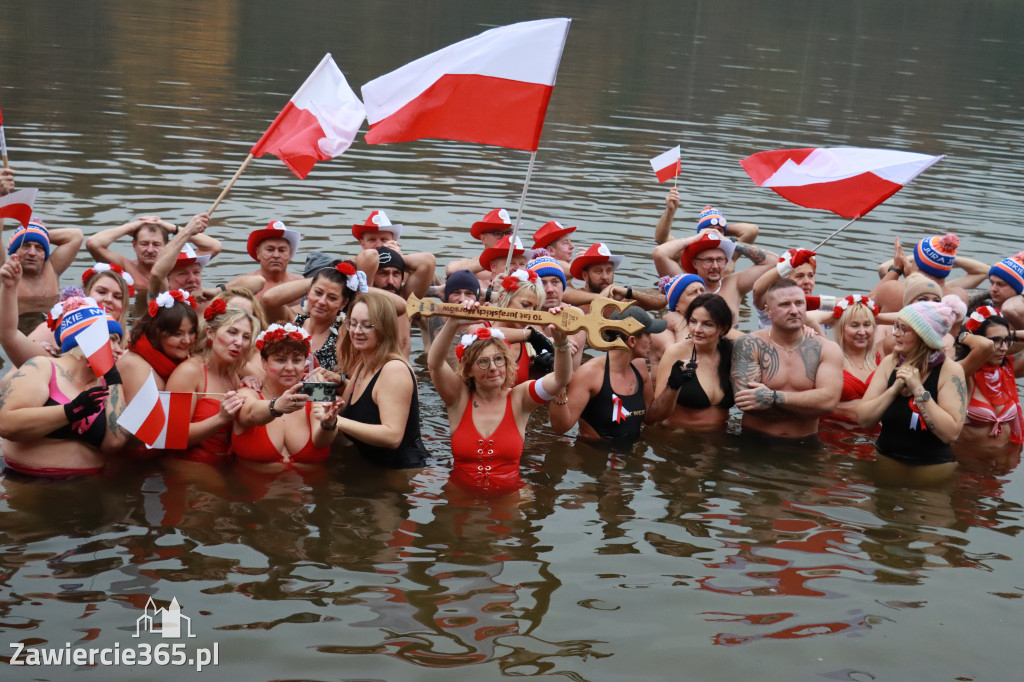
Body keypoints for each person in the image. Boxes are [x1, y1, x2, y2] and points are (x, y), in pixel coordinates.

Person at [427, 301, 572, 497]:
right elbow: (434, 364)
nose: (493, 368)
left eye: (498, 359)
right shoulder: (458, 398)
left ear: (507, 363)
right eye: (483, 362)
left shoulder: (520, 398)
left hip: (508, 499)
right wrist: (453, 323)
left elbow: (561, 379)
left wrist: (561, 343)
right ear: (468, 370)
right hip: (460, 497)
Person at [0, 297, 128, 477]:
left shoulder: (109, 383)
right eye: (112, 340)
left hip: (85, 485)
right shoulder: (42, 367)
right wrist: (72, 410)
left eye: (119, 342)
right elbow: (6, 425)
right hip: (25, 481)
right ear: (87, 340)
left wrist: (113, 377)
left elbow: (114, 443)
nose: (119, 349)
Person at [857, 300, 968, 484]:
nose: (895, 334)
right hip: (887, 461)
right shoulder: (890, 363)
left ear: (923, 335)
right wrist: (894, 390)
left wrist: (918, 389)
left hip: (932, 469)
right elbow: (863, 419)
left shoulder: (950, 371)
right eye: (896, 327)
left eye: (903, 329)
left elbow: (950, 434)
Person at [731, 278, 843, 439]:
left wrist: (773, 397)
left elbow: (829, 403)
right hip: (755, 440)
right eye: (785, 304)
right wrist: (810, 406)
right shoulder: (750, 344)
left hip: (806, 442)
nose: (794, 310)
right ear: (768, 311)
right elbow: (747, 404)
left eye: (799, 303)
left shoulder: (827, 349)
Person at [335, 292, 429, 471]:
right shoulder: (364, 363)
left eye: (367, 325)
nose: (357, 331)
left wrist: (336, 421)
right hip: (371, 468)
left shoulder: (394, 370)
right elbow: (346, 409)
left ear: (384, 328)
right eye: (353, 323)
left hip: (400, 472)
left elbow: (393, 436)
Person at [232, 324, 344, 468]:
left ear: (305, 363)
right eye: (281, 360)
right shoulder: (247, 392)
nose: (290, 368)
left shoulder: (318, 392)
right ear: (264, 362)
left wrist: (329, 425)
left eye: (296, 360)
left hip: (313, 482)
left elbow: (322, 441)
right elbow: (250, 414)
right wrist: (276, 406)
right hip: (253, 481)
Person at [549, 306, 661, 443]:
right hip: (596, 452)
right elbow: (560, 427)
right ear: (632, 341)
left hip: (631, 451)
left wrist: (673, 387)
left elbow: (650, 418)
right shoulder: (590, 374)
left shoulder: (640, 366)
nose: (651, 340)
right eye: (648, 334)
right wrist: (560, 386)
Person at [165, 304, 256, 464]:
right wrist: (220, 418)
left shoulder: (233, 375)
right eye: (232, 332)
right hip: (190, 465)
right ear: (210, 333)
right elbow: (171, 437)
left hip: (225, 464)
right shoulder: (189, 372)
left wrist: (249, 387)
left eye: (246, 337)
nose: (239, 342)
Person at [1, 259, 131, 365]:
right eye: (101, 292)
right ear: (85, 295)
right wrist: (9, 288)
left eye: (117, 297)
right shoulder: (49, 333)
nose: (109, 299)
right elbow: (9, 338)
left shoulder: (128, 341)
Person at [650, 294, 735, 431]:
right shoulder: (675, 353)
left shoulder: (731, 353)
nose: (697, 330)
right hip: (680, 437)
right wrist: (673, 386)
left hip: (721, 436)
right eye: (693, 321)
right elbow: (655, 415)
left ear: (723, 328)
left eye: (707, 324)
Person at [653, 225, 775, 320]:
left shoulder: (735, 284)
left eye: (720, 260)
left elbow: (773, 261)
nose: (715, 266)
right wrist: (694, 239)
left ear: (725, 261)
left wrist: (731, 243)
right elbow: (660, 253)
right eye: (708, 260)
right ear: (695, 263)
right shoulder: (684, 283)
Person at [954, 307, 1024, 460]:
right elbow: (983, 347)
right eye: (996, 341)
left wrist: (1010, 334)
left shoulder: (1007, 368)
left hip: (1004, 465)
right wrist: (964, 335)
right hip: (968, 466)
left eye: (1006, 341)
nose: (1004, 348)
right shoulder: (961, 373)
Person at [118, 290, 199, 403]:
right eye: (177, 334)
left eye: (191, 332)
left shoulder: (183, 359)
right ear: (156, 333)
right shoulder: (135, 367)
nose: (187, 340)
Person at [85, 216, 203, 292]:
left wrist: (173, 228)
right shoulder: (125, 267)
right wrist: (129, 227)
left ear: (166, 246)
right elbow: (93, 244)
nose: (150, 250)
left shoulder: (178, 266)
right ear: (134, 245)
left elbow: (212, 246)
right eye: (144, 244)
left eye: (156, 244)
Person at [870, 234, 969, 312]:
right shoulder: (960, 297)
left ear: (917, 266)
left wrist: (896, 269)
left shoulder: (892, 289)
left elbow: (864, 305)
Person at [350, 211, 436, 300]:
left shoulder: (405, 268)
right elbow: (369, 256)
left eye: (384, 240)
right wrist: (378, 256)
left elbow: (428, 260)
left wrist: (398, 258)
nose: (379, 245)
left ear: (394, 242)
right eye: (372, 240)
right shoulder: (353, 264)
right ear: (362, 243)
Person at [4, 217, 84, 312]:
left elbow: (76, 235)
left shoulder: (52, 267)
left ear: (45, 254)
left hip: (49, 319)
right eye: (26, 246)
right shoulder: (5, 273)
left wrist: (36, 233)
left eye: (39, 248)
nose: (32, 253)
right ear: (14, 252)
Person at [567, 243, 666, 311]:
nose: (605, 277)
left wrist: (628, 292)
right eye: (598, 271)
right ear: (585, 275)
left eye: (609, 271)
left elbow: (663, 300)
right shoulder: (574, 298)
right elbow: (563, 293)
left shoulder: (622, 300)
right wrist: (599, 297)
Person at [828, 296, 882, 421]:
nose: (862, 332)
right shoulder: (829, 356)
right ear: (841, 328)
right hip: (834, 430)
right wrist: (837, 316)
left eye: (867, 325)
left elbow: (919, 321)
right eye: (854, 325)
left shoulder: (882, 353)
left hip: (875, 432)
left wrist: (876, 317)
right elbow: (808, 318)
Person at [228, 220, 303, 302]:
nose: (276, 255)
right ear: (258, 253)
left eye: (282, 250)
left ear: (289, 254)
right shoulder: (242, 285)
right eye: (270, 250)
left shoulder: (302, 285)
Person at [649, 273, 706, 379]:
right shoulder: (660, 333)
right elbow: (687, 364)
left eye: (702, 290)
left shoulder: (712, 326)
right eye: (693, 292)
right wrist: (680, 325)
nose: (701, 296)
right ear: (676, 305)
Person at [653, 190, 760, 245]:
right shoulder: (685, 250)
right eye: (710, 228)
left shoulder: (729, 254)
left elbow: (752, 230)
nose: (714, 232)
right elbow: (660, 238)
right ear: (700, 231)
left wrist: (720, 232)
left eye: (719, 230)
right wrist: (670, 211)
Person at [985, 252, 1024, 330]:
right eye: (992, 283)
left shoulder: (1014, 311)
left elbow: (1009, 309)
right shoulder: (985, 304)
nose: (993, 289)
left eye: (1001, 284)